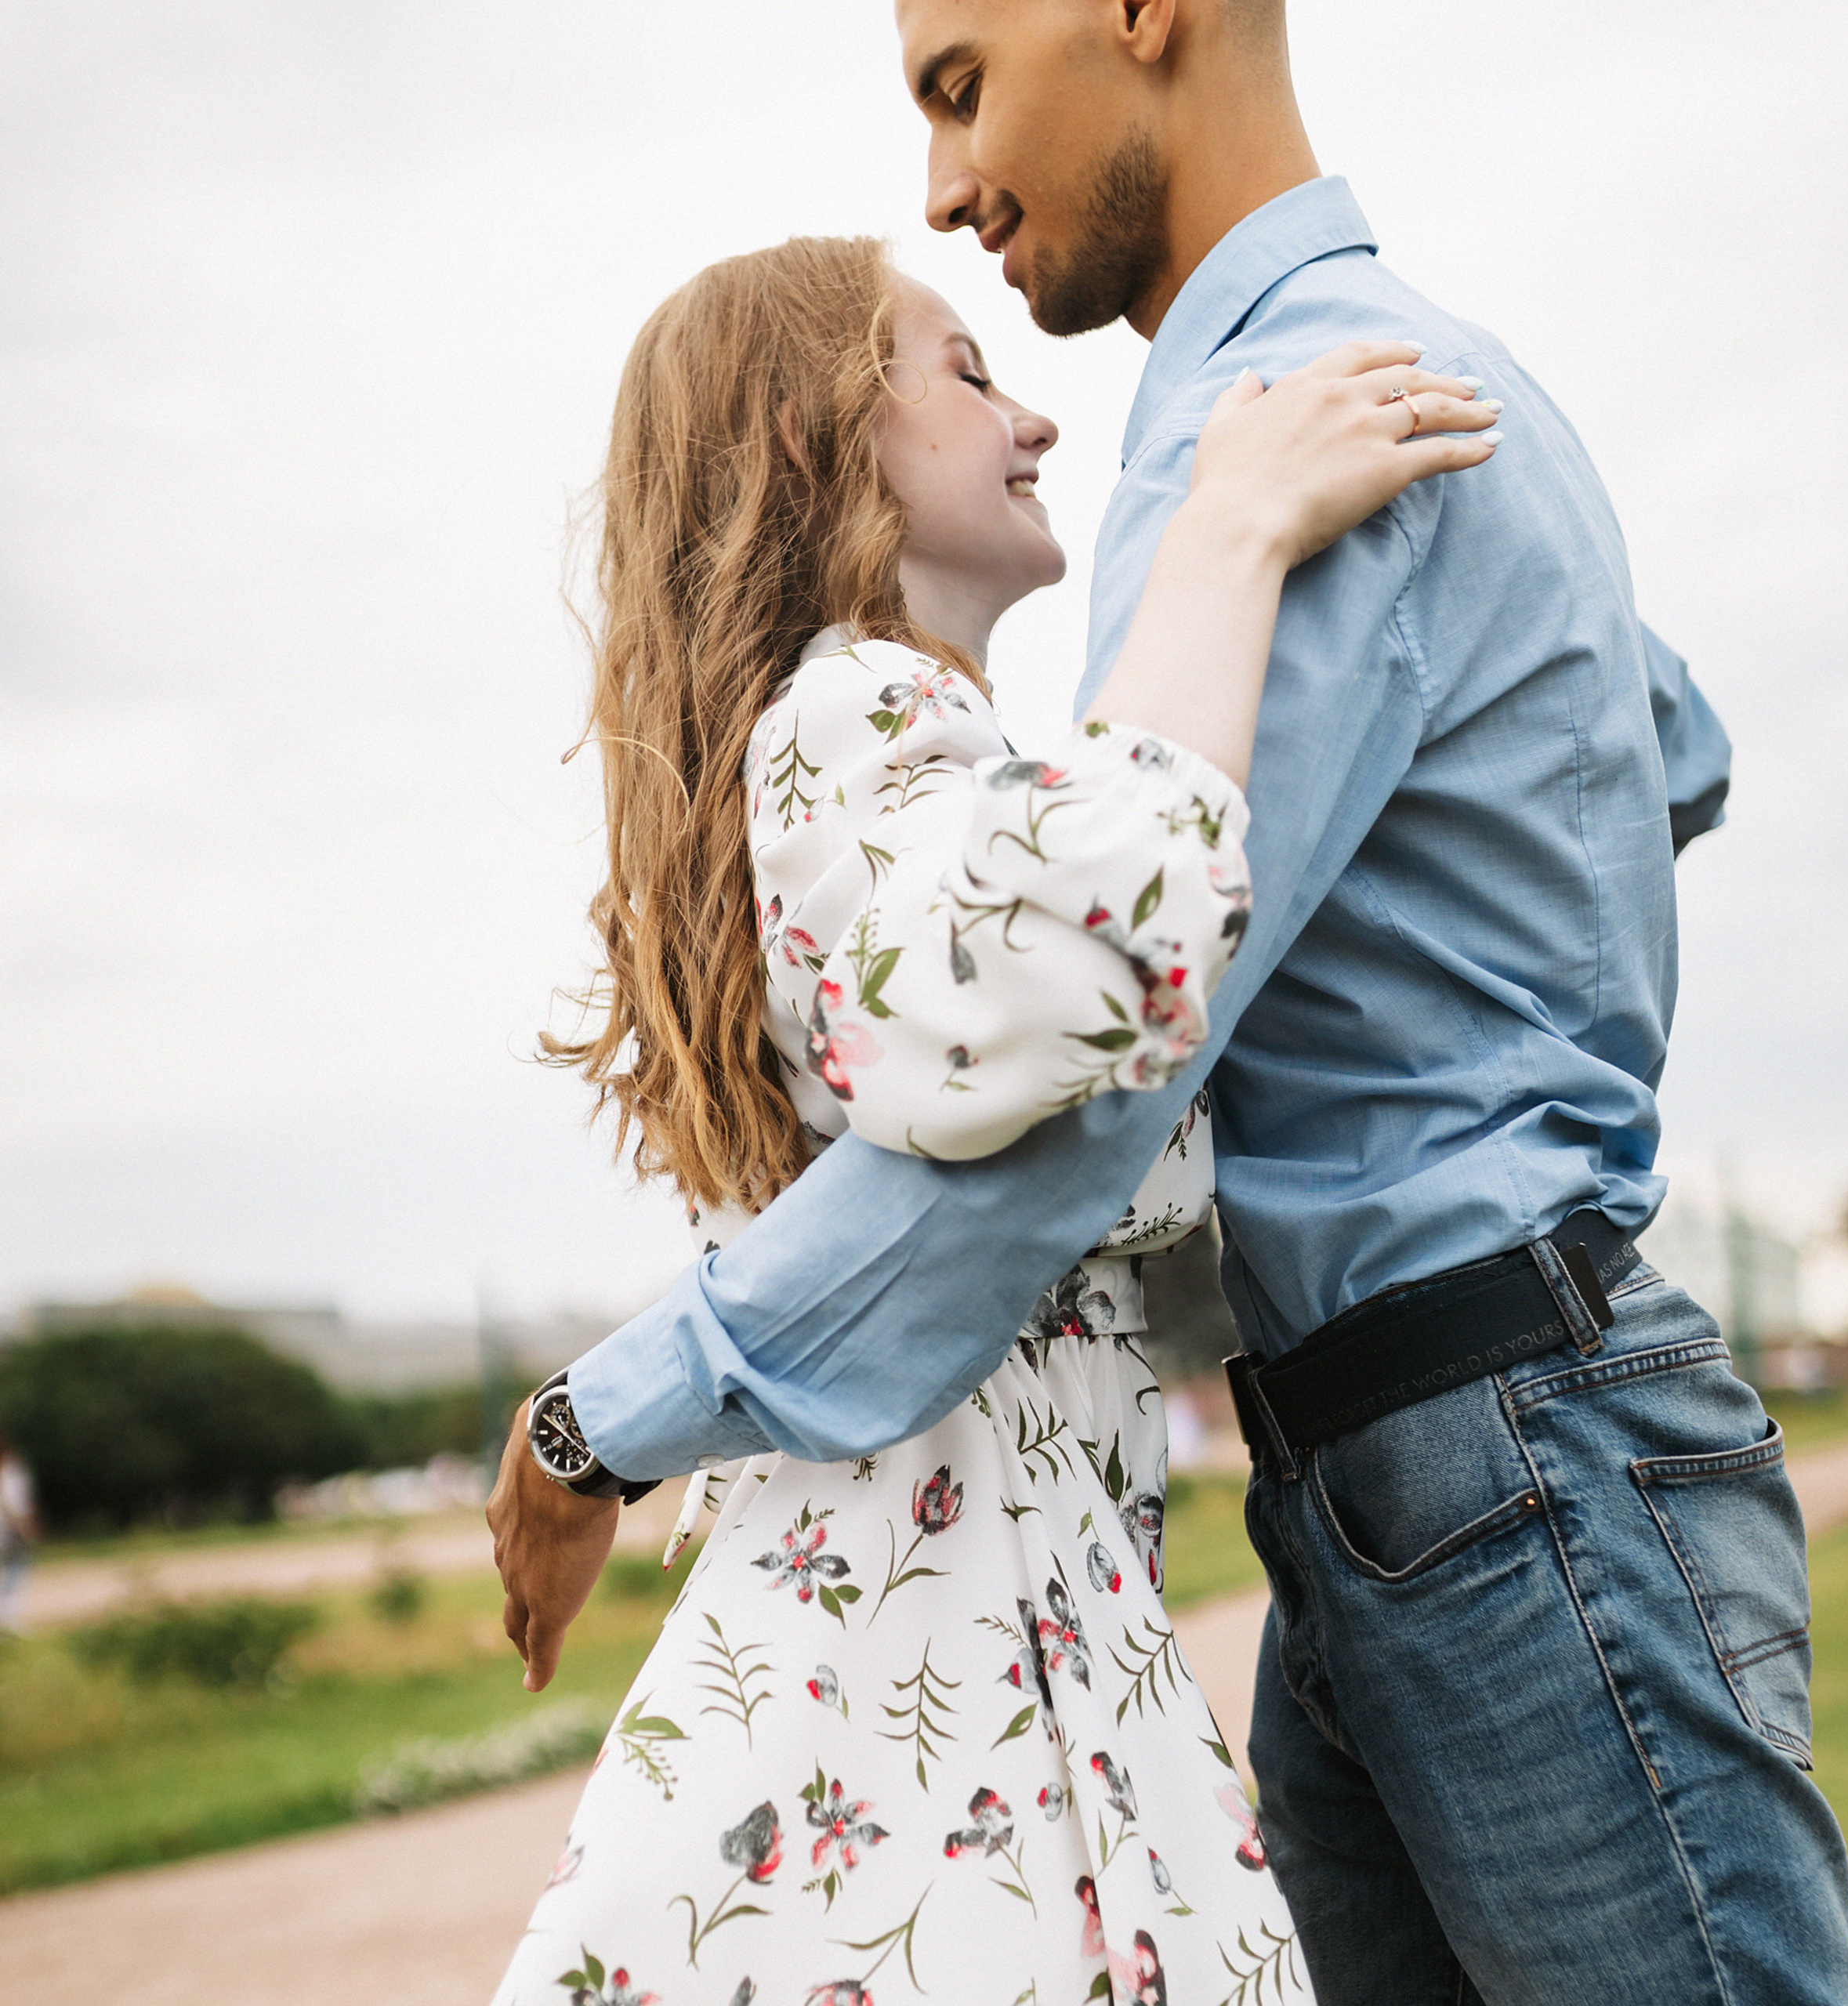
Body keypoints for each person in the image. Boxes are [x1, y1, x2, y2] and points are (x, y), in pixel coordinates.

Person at [491, 5, 1848, 2001]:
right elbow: (1666, 744)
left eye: (957, 83)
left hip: (1489, 1437)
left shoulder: (1280, 430)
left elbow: (1063, 1120)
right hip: (1411, 1459)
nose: (947, 183)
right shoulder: (1423, 379)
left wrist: (596, 1418)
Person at [487, 238, 1495, 2005]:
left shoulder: (884, 747)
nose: (1032, 413)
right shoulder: (854, 709)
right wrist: (1229, 535)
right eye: (962, 371)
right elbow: (1085, 948)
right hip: (946, 1620)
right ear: (813, 441)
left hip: (966, 1594)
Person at [0, 1436, 38, 1635]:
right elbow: (14, 1506)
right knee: (15, 1574)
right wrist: (25, 1529)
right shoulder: (11, 1474)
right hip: (10, 1532)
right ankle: (9, 1622)